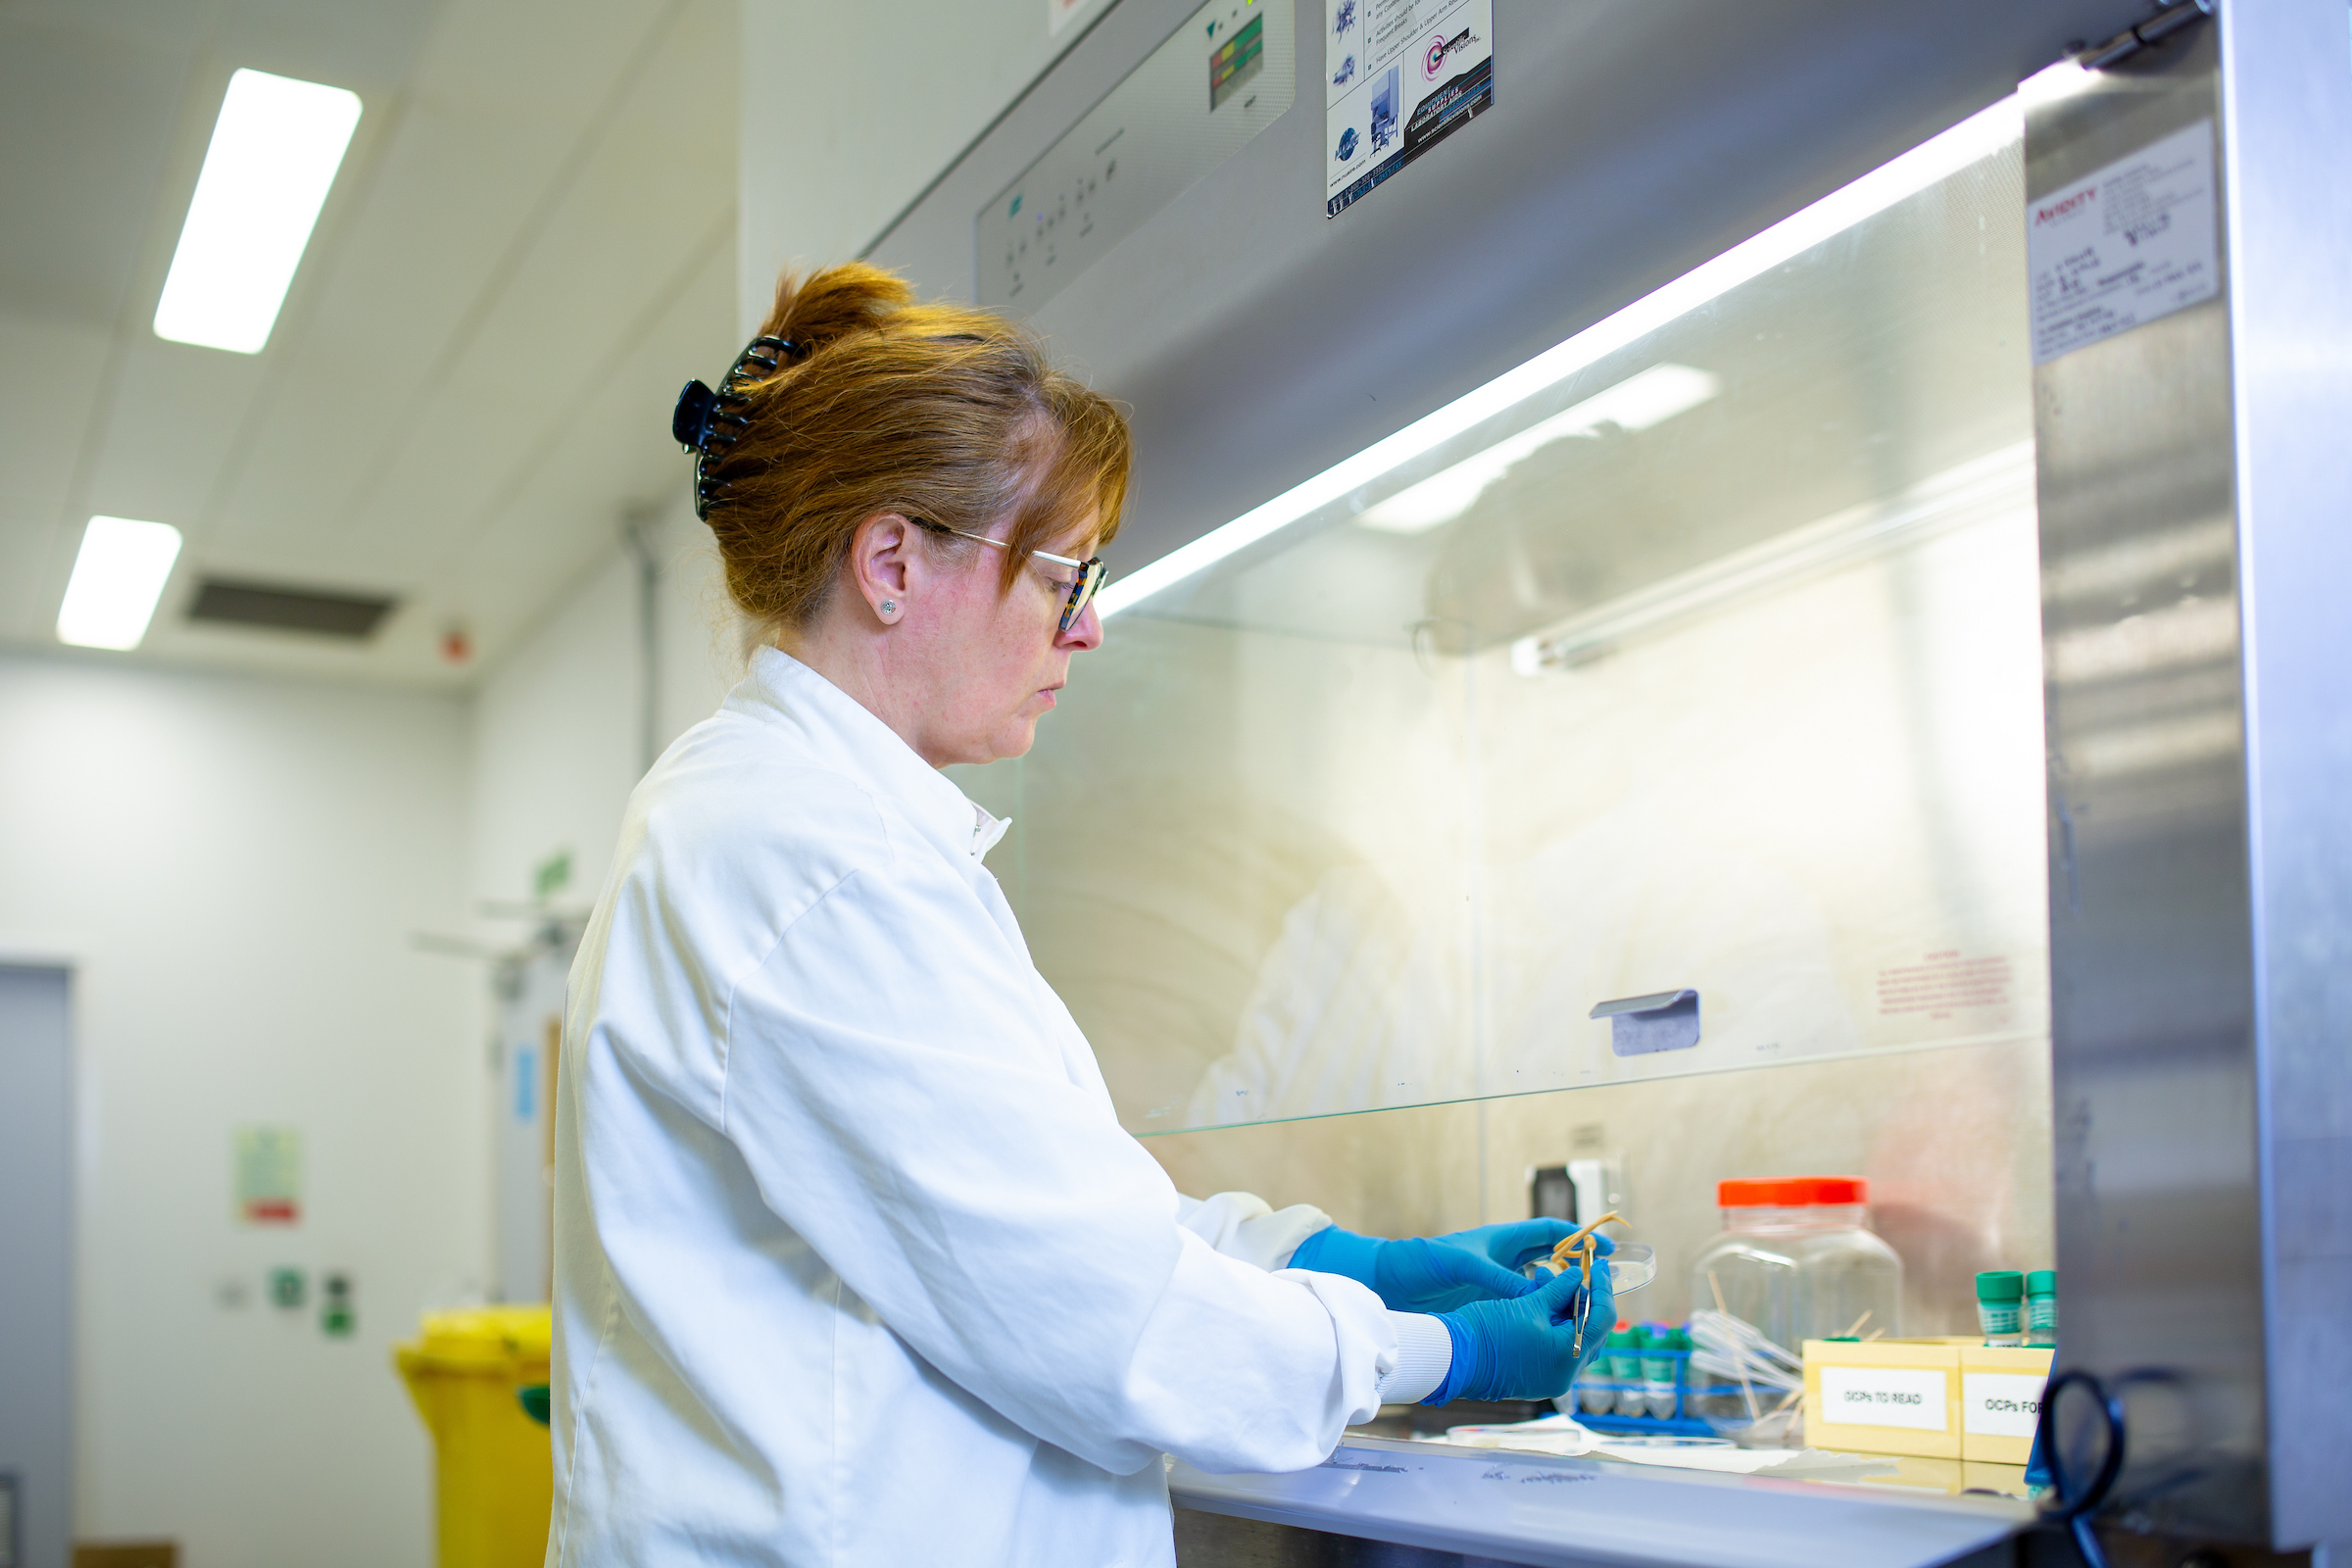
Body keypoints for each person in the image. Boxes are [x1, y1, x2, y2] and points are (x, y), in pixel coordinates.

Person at [544, 263, 1614, 1568]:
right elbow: (1102, 1320)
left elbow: (1062, 1223)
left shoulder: (821, 834)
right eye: (1066, 577)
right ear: (892, 563)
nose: (1090, 627)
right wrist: (1432, 1351)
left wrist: (1342, 1261)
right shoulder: (806, 862)